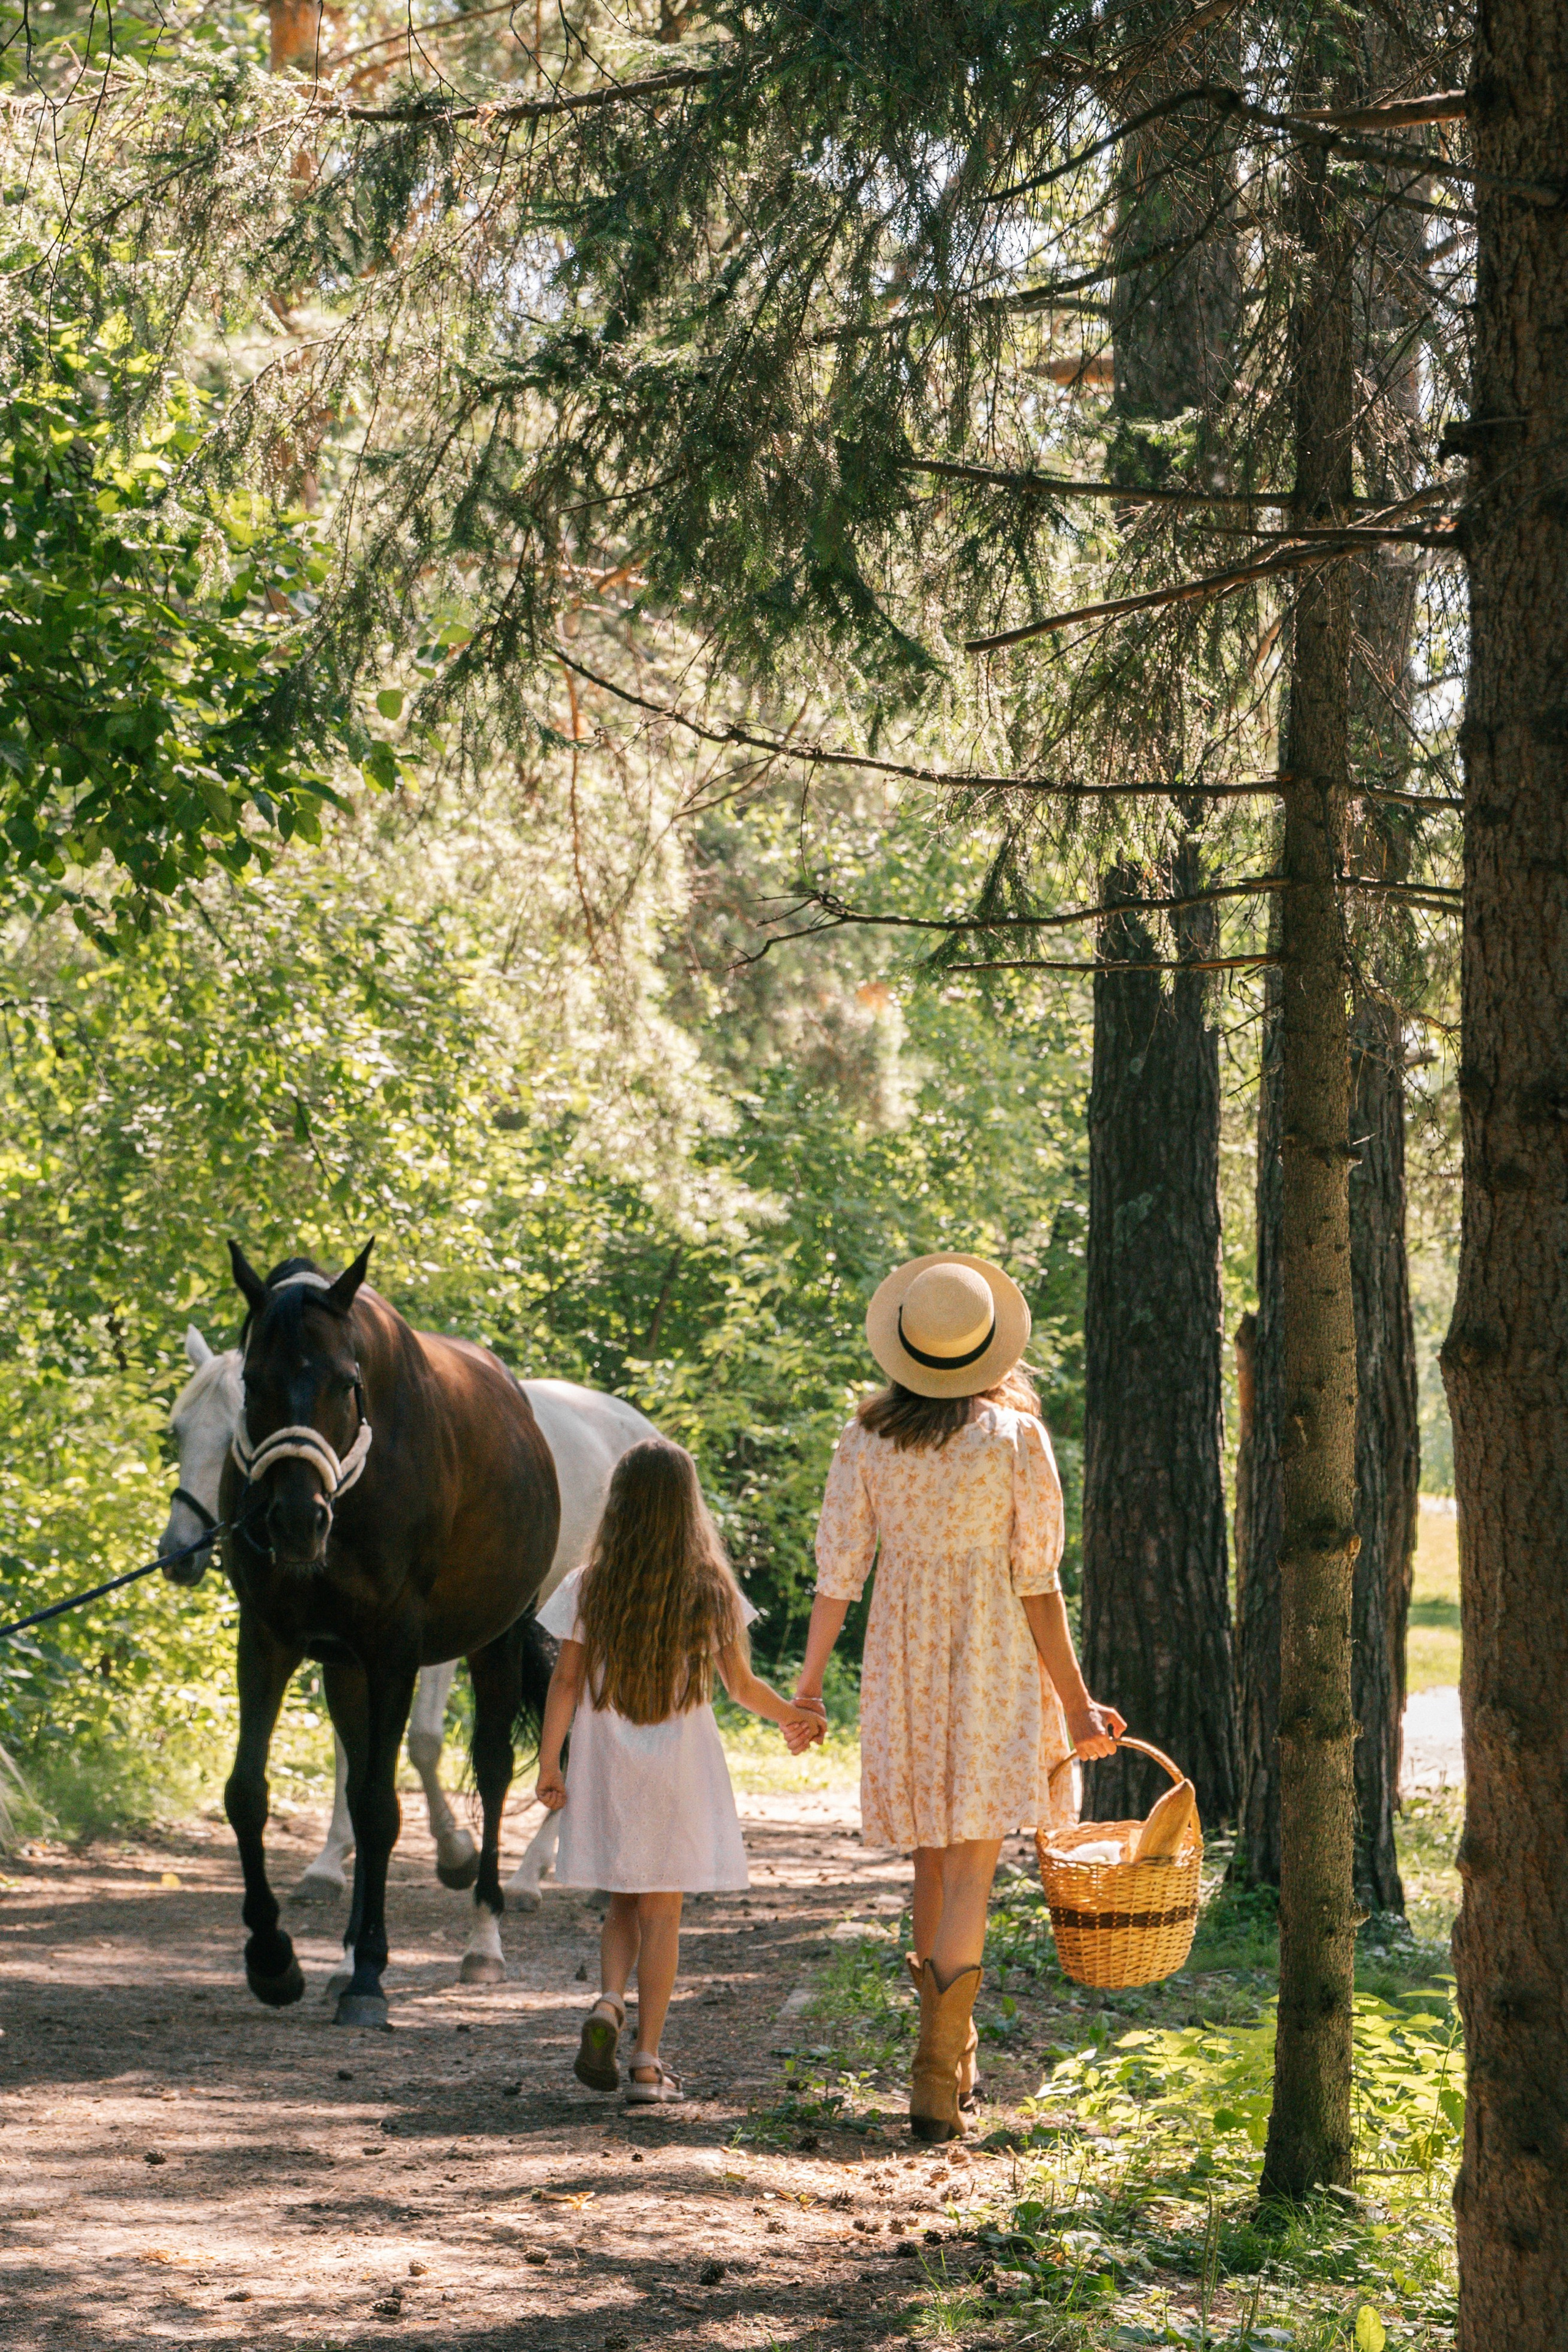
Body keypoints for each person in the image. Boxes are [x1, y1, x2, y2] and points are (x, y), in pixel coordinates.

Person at [793, 1252, 1125, 2143]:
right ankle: (937, 2077)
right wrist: (1079, 1702)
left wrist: (811, 1683)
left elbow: (839, 1574)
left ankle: (950, 2051)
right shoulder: (1016, 1440)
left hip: (903, 1656)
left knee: (931, 1859)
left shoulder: (866, 1439)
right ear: (989, 1349)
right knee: (973, 1864)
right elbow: (1038, 1583)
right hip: (991, 1658)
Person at [533, 1436, 822, 2104]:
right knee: (664, 1913)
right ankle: (644, 2063)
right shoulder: (710, 1589)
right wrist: (795, 1717)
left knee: (620, 1904)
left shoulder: (587, 1585)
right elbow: (743, 1687)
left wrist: (551, 1762)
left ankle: (608, 2002)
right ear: (688, 1508)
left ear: (619, 1506)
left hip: (606, 1759)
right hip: (679, 1766)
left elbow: (565, 1681)